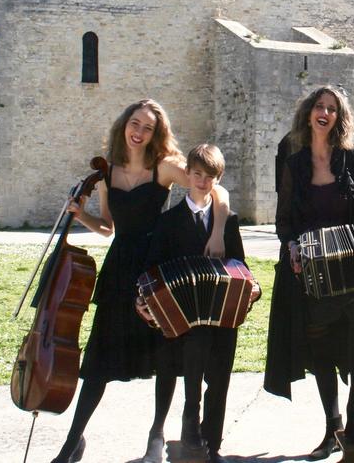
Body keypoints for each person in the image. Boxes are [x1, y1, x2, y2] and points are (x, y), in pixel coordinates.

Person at [50, 100, 230, 463]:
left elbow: (216, 191)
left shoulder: (163, 167)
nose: (140, 132)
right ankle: (72, 442)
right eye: (136, 123)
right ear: (124, 125)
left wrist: (219, 232)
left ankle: (156, 436)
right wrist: (79, 214)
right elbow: (109, 228)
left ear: (156, 134)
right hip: (119, 269)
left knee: (164, 355)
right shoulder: (107, 172)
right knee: (98, 360)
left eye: (148, 128)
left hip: (155, 266)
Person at [264, 85, 354, 460]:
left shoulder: (353, 159)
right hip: (311, 271)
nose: (324, 113)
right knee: (319, 344)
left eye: (332, 109)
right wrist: (291, 245)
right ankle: (332, 426)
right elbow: (283, 222)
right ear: (309, 113)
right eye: (319, 107)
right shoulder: (294, 164)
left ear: (339, 118)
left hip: (352, 271)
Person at [144, 143, 260, 463]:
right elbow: (153, 267)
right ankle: (190, 427)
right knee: (195, 359)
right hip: (186, 319)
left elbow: (241, 266)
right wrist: (146, 298)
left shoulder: (229, 220)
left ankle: (213, 444)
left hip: (222, 313)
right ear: (188, 175)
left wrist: (254, 289)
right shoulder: (169, 221)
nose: (202, 181)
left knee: (220, 377)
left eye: (210, 176)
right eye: (197, 174)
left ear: (217, 179)